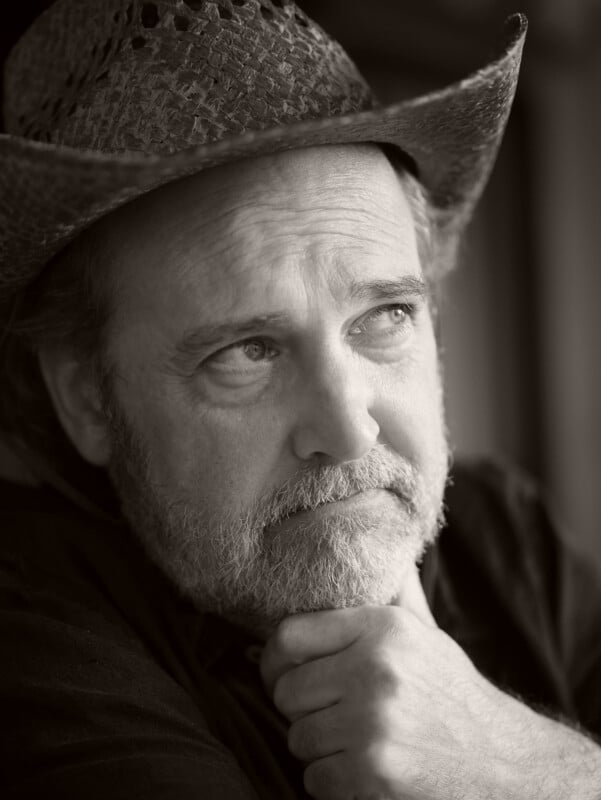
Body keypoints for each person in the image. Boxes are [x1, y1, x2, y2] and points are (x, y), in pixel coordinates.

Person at [0, 1, 600, 798]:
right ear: (86, 400)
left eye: (383, 317)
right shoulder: (27, 629)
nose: (349, 432)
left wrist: (518, 768)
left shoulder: (503, 535)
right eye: (247, 352)